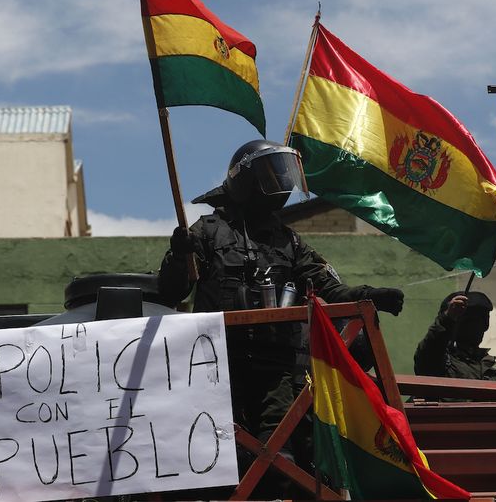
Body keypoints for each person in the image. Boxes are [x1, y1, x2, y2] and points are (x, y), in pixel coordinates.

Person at [157, 139, 404, 493]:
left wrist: (369, 294)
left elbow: (329, 289)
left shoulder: (288, 242)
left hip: (278, 368)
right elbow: (171, 291)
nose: (283, 184)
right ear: (246, 179)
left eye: (285, 174)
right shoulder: (208, 231)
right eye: (273, 175)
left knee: (280, 460)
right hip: (217, 369)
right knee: (220, 459)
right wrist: (178, 256)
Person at [414, 291, 496, 381]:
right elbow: (431, 349)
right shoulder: (441, 359)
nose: (478, 327)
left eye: (482, 320)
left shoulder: (487, 365)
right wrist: (447, 319)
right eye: (471, 321)